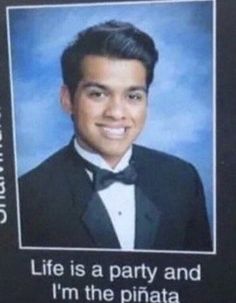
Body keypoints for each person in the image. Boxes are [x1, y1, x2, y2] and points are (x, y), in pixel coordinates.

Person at [19, 20, 212, 251]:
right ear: (68, 99)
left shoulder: (183, 179)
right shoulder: (27, 197)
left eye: (133, 96)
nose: (116, 113)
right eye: (98, 94)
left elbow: (204, 281)